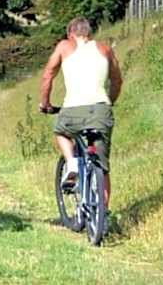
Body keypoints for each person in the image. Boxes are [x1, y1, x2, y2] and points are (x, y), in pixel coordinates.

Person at [39, 17, 123, 205]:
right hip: (101, 111)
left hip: (72, 110)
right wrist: (109, 102)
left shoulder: (64, 46)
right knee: (102, 166)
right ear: (89, 33)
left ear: (70, 34)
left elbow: (47, 76)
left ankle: (72, 162)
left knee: (60, 131)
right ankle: (102, 214)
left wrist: (45, 103)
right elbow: (117, 81)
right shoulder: (105, 49)